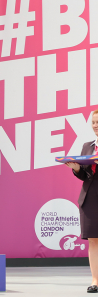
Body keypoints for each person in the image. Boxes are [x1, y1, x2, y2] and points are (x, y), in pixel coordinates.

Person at [66, 109, 98, 293]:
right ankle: (95, 280)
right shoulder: (87, 146)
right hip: (89, 197)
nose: (95, 125)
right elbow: (85, 175)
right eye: (93, 122)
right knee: (93, 240)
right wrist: (77, 168)